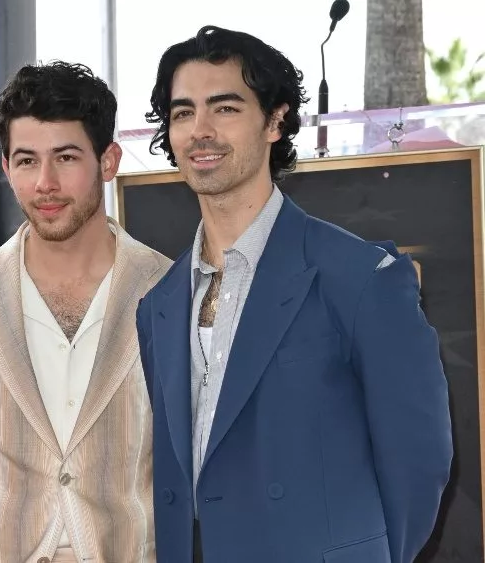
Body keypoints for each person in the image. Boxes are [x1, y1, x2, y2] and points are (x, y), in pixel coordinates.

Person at [135, 25, 453, 563]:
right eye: (183, 112)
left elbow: (419, 461)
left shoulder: (360, 277)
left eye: (226, 108)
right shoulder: (157, 305)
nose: (200, 130)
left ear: (276, 121)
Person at [0, 61, 171, 562]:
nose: (45, 182)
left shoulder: (169, 290)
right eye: (26, 161)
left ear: (107, 161)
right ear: (6, 168)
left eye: (65, 157)